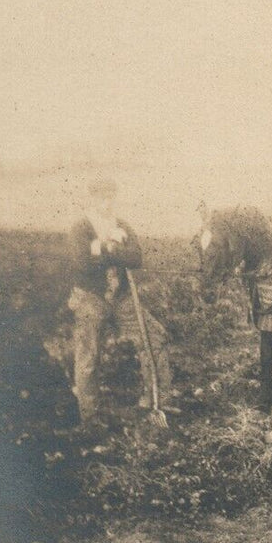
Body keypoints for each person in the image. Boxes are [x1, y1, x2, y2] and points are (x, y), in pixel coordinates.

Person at [67, 176, 172, 423]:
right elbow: (82, 263)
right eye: (101, 197)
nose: (107, 202)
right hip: (90, 296)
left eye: (110, 196)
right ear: (91, 198)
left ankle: (156, 401)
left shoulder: (121, 224)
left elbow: (136, 258)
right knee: (89, 353)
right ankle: (90, 414)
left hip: (122, 296)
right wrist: (114, 251)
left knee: (154, 337)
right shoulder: (81, 227)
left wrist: (103, 249)